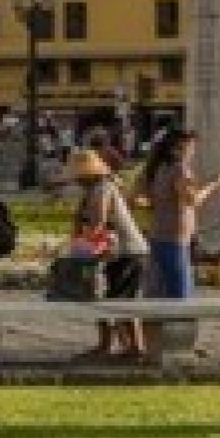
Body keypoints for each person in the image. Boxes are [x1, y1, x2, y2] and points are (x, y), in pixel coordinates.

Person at [66, 147, 147, 360]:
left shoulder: (103, 188)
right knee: (111, 297)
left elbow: (98, 222)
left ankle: (132, 347)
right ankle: (118, 345)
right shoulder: (94, 190)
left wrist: (81, 246)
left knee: (120, 300)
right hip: (112, 251)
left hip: (126, 251)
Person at [139, 126, 220, 300]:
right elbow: (191, 200)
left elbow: (138, 197)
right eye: (191, 147)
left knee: (156, 296)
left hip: (157, 234)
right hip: (175, 238)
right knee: (180, 297)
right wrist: (212, 186)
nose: (193, 152)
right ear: (179, 147)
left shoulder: (157, 167)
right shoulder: (179, 169)